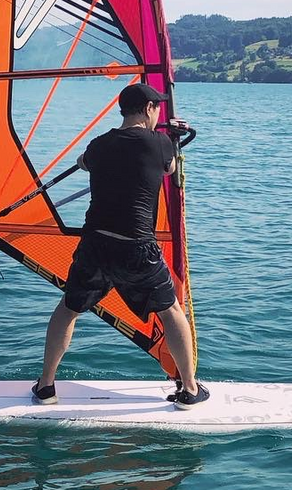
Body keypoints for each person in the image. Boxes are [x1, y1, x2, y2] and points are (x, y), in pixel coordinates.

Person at [30, 82, 208, 409]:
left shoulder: (99, 146)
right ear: (148, 109)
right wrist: (173, 138)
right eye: (157, 107)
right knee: (171, 311)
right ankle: (190, 389)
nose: (158, 113)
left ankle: (45, 386)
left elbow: (84, 162)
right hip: (136, 248)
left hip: (95, 245)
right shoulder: (159, 144)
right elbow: (170, 168)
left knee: (69, 308)